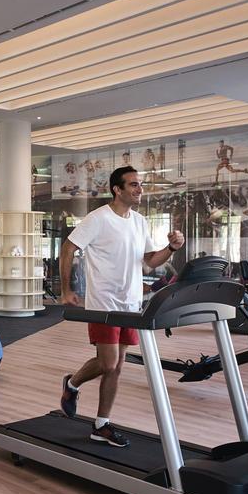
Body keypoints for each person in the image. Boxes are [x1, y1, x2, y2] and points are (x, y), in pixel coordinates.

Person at [58, 166, 184, 447]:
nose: (140, 189)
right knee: (108, 362)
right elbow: (68, 247)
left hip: (131, 304)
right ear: (117, 189)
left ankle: (101, 425)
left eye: (140, 184)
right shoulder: (98, 219)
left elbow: (150, 260)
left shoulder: (139, 221)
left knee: (117, 366)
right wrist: (65, 289)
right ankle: (72, 384)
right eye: (134, 185)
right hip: (104, 303)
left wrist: (172, 248)